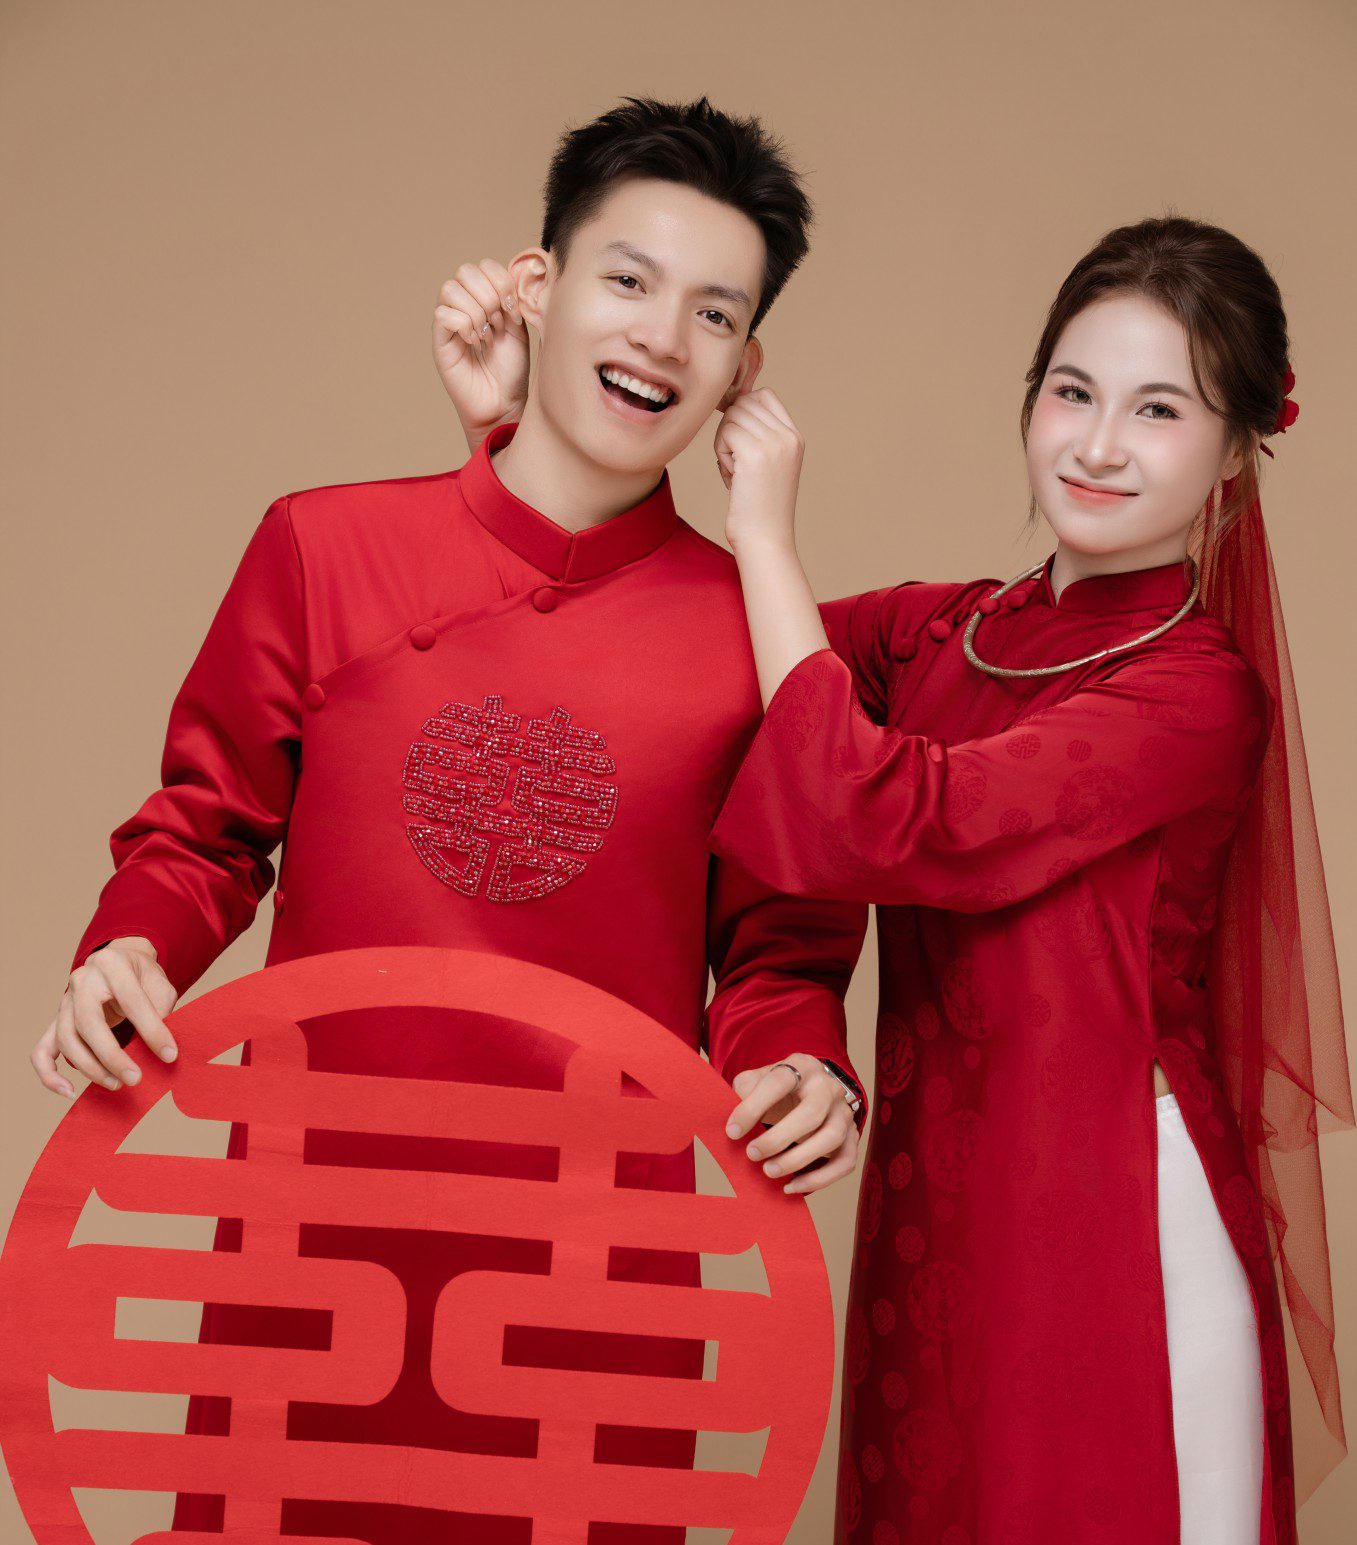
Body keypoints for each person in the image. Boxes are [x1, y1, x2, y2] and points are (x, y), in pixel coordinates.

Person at [31, 97, 870, 1544]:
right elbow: (204, 829)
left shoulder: (758, 635)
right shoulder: (325, 546)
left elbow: (778, 952)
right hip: (309, 1250)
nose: (663, 338)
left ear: (746, 370)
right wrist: (128, 952)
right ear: (539, 285)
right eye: (627, 278)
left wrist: (804, 1066)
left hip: (599, 1278)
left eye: (714, 313)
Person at [706, 217, 1351, 1544]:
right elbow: (688, 652)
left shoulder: (1194, 692)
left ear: (1237, 450)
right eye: (1072, 390)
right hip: (938, 1215)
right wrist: (511, 436)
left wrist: (766, 529)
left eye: (1158, 409)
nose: (1097, 444)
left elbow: (893, 816)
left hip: (1116, 1221)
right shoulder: (941, 634)